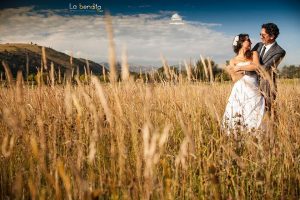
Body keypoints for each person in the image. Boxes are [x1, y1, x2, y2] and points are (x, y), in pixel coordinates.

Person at [223, 34, 265, 132]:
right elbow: (234, 78)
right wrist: (239, 70)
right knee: (237, 112)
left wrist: (239, 68)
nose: (251, 42)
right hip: (239, 89)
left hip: (253, 88)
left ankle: (253, 133)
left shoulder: (254, 53)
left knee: (253, 111)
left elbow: (256, 66)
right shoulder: (233, 60)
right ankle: (238, 134)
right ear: (241, 43)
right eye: (248, 40)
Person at [252, 23, 286, 118]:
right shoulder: (258, 45)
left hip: (267, 86)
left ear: (271, 36)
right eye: (260, 34)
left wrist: (254, 60)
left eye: (263, 35)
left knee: (267, 113)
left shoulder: (280, 51)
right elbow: (248, 60)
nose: (260, 37)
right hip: (252, 84)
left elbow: (264, 68)